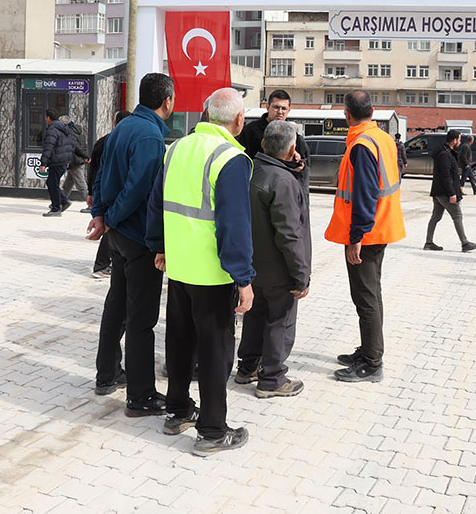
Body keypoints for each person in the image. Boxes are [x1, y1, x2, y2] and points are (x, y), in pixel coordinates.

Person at [151, 87, 255, 456]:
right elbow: (235, 226)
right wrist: (243, 278)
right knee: (215, 352)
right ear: (238, 121)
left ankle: (177, 411)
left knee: (179, 343)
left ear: (206, 115)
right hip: (213, 275)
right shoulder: (231, 158)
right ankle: (212, 431)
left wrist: (160, 247)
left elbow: (157, 203)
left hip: (179, 267)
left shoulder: (176, 147)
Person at [87, 75, 173, 416]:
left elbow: (103, 172)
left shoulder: (123, 127)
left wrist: (102, 215)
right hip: (138, 237)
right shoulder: (151, 135)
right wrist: (111, 216)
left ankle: (107, 374)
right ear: (167, 100)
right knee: (141, 319)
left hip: (119, 236)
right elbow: (138, 188)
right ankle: (141, 396)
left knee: (116, 306)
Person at [326, 90, 405, 383]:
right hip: (381, 227)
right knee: (372, 294)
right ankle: (370, 350)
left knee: (366, 297)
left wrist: (356, 236)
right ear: (372, 111)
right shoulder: (382, 138)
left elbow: (365, 194)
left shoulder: (361, 145)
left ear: (347, 114)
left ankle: (372, 363)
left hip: (367, 234)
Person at [235, 120, 312, 399]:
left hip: (253, 264)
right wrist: (301, 273)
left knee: (255, 317)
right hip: (279, 268)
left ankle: (248, 367)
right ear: (293, 149)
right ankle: (272, 378)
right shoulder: (283, 182)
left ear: (264, 144)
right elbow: (289, 234)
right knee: (281, 321)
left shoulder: (250, 170)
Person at [86, 109, 132, 278]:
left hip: (103, 193)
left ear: (115, 123)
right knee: (108, 228)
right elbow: (95, 170)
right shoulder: (116, 142)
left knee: (110, 230)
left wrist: (91, 192)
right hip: (111, 195)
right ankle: (101, 265)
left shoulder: (105, 141)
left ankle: (106, 263)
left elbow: (93, 171)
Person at [236, 89, 310, 191]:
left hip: (284, 191)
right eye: (276, 107)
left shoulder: (296, 139)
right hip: (255, 190)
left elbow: (304, 175)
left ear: (289, 110)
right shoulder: (250, 131)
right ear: (267, 107)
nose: (280, 112)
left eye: (283, 108)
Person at [424, 129, 476, 253]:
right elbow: (445, 176)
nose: (460, 142)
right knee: (457, 215)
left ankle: (429, 242)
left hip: (438, 191)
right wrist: (452, 193)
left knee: (436, 216)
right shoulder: (445, 155)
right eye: (459, 140)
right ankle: (465, 243)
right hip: (444, 192)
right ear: (454, 140)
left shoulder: (447, 152)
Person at [39, 109, 75, 217]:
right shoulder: (65, 129)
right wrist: (68, 160)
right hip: (63, 161)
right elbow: (72, 145)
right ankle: (63, 201)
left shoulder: (52, 129)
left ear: (48, 118)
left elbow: (49, 147)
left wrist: (43, 163)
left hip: (56, 161)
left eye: (46, 117)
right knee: (53, 183)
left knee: (52, 184)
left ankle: (56, 208)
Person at [60, 116, 92, 203]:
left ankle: (91, 205)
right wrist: (85, 156)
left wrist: (86, 156)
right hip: (78, 160)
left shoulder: (69, 133)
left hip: (74, 161)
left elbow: (75, 147)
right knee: (67, 185)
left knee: (81, 185)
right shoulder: (78, 131)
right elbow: (83, 145)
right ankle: (60, 201)